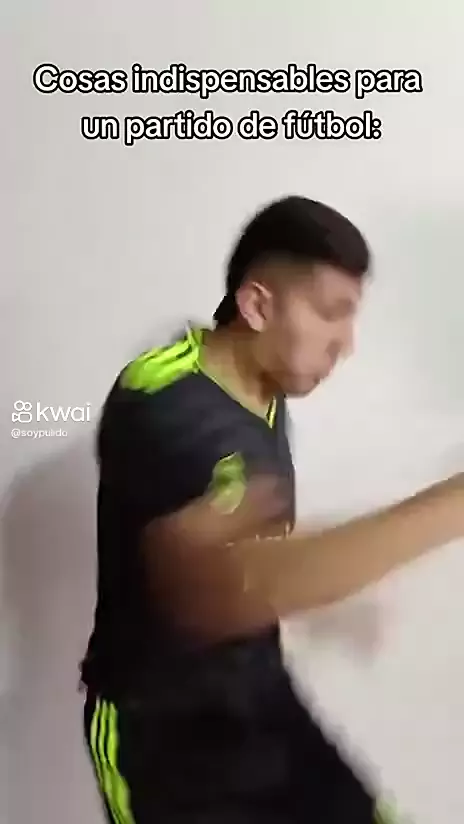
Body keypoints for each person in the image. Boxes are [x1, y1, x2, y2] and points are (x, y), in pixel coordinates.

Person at [80, 195, 464, 824]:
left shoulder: (264, 386)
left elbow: (253, 544)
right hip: (164, 742)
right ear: (258, 306)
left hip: (259, 701)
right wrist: (454, 504)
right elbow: (220, 586)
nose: (346, 345)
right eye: (331, 314)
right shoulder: (164, 404)